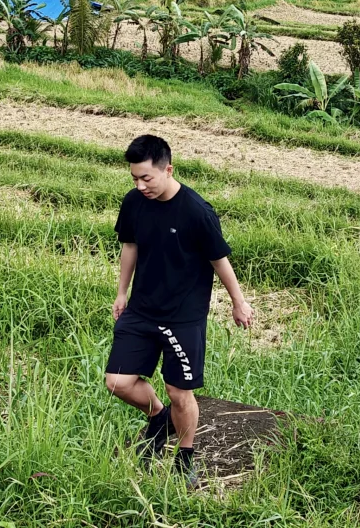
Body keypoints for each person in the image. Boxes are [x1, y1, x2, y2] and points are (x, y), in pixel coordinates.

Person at [104, 134, 253, 485]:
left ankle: (185, 455)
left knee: (179, 392)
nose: (140, 186)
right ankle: (159, 418)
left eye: (147, 178)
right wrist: (121, 292)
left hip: (183, 316)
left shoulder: (196, 212)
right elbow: (130, 246)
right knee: (117, 382)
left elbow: (220, 261)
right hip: (141, 308)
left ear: (168, 170)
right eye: (134, 179)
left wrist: (238, 301)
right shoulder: (133, 203)